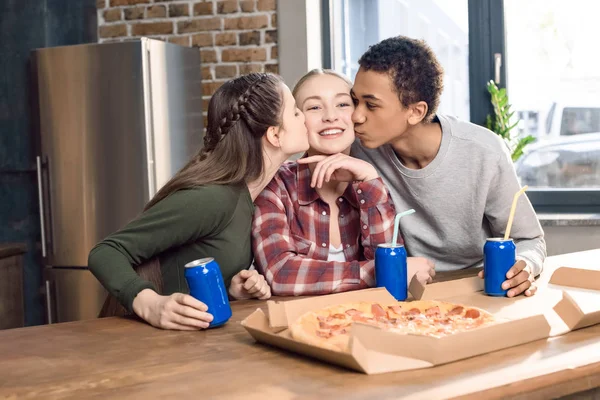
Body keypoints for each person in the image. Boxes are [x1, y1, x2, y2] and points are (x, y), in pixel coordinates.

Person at [88, 73, 310, 330]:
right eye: (295, 112)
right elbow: (106, 252)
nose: (304, 117)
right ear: (274, 135)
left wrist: (230, 290)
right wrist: (151, 305)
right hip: (146, 348)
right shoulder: (214, 198)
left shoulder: (248, 197)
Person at [351, 36, 546, 297]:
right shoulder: (360, 150)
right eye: (354, 101)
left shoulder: (483, 151)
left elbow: (530, 240)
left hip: (477, 286)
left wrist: (524, 266)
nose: (356, 116)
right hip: (405, 288)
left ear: (416, 112)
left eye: (371, 105)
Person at [252, 69, 435, 296]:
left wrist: (369, 181)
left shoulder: (372, 181)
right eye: (314, 107)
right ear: (297, 120)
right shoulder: (276, 186)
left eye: (342, 104)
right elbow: (281, 274)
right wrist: (379, 272)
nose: (330, 116)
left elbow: (389, 269)